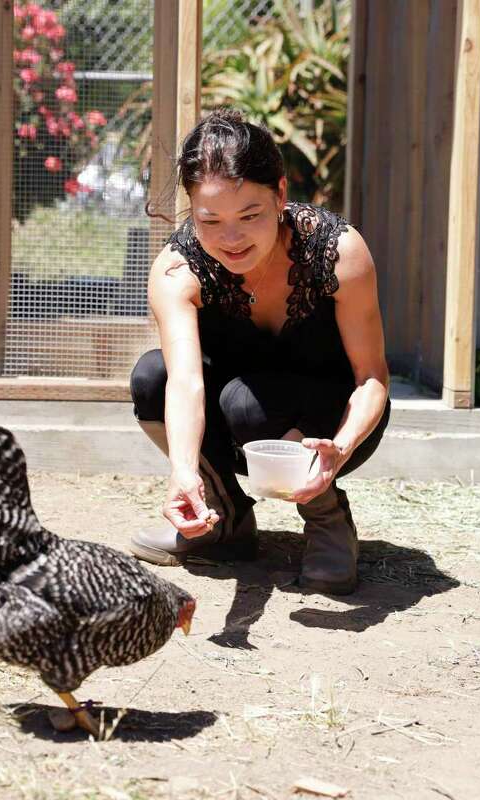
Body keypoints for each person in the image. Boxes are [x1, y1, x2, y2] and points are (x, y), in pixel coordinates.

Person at [129, 108, 391, 595]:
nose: (231, 238)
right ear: (191, 209)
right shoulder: (176, 270)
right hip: (240, 422)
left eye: (250, 215)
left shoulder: (339, 252)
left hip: (332, 423)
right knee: (152, 378)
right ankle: (223, 521)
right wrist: (183, 472)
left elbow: (372, 376)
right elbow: (185, 383)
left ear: (281, 196)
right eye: (210, 220)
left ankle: (328, 520)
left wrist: (343, 445)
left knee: (246, 401)